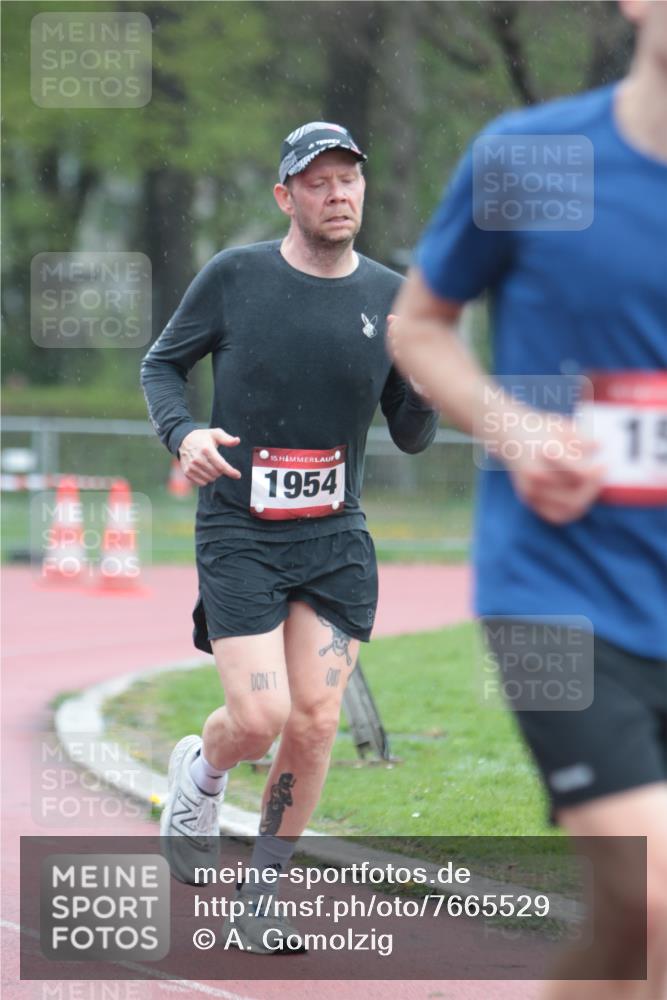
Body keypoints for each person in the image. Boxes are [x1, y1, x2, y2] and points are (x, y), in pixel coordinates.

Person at [388, 1, 667, 997]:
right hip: (561, 590)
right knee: (656, 902)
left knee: (631, 929)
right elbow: (419, 326)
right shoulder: (534, 157)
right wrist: (514, 427)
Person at [140, 121, 438, 953]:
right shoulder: (234, 277)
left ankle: (260, 895)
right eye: (317, 182)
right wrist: (184, 434)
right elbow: (161, 366)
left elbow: (411, 434)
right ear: (286, 196)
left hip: (335, 536)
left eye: (348, 179)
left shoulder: (390, 296)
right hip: (241, 529)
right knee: (260, 714)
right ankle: (202, 768)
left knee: (312, 720)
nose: (337, 193)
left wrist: (424, 378)